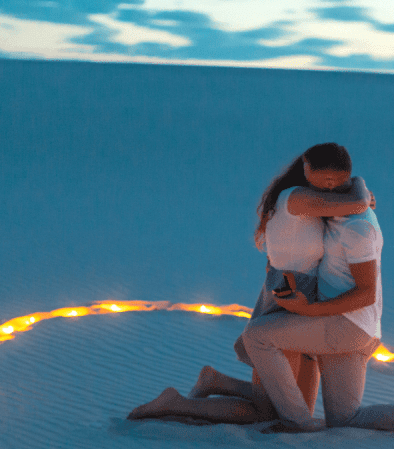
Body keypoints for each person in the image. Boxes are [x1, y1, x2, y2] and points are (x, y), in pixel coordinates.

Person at [126, 143, 372, 423]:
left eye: (337, 182)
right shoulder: (298, 197)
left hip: (300, 290)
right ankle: (175, 404)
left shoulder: (308, 199)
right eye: (327, 180)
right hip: (292, 293)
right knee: (269, 411)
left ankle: (216, 382)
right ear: (306, 167)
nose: (330, 188)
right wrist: (359, 185)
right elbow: (357, 204)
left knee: (294, 402)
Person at [241, 173, 394, 435]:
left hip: (347, 326)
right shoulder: (337, 220)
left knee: (257, 337)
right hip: (358, 329)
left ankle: (297, 423)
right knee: (344, 418)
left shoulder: (356, 228)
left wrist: (308, 310)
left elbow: (366, 294)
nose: (318, 200)